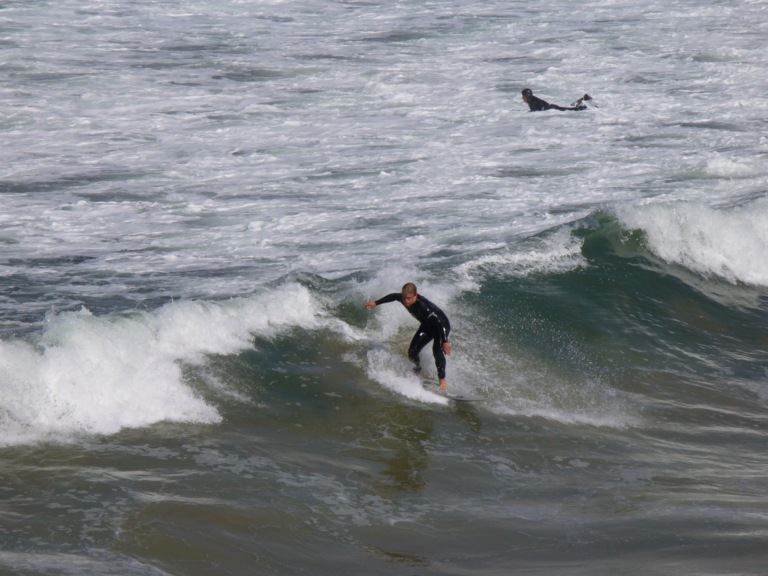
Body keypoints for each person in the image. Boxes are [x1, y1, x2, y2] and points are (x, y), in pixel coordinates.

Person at [365, 283, 452, 392]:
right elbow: (393, 296)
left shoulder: (423, 306)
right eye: (404, 298)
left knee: (437, 349)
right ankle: (417, 371)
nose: (406, 301)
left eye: (409, 298)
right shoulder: (403, 298)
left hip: (441, 326)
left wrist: (445, 341)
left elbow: (438, 321)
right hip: (427, 325)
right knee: (412, 351)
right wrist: (376, 303)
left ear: (416, 295)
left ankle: (442, 380)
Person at [521, 88, 591, 112]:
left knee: (572, 109)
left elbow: (535, 112)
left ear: (526, 96)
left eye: (523, 96)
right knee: (570, 108)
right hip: (551, 108)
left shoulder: (532, 102)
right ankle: (584, 99)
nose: (522, 98)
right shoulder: (532, 100)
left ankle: (586, 105)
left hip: (552, 109)